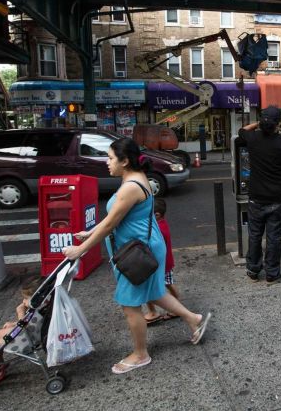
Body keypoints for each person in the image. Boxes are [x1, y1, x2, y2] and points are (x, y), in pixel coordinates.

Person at [62, 138, 211, 375]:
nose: (106, 163)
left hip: (137, 252)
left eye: (110, 158)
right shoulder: (133, 179)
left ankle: (141, 354)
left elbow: (111, 223)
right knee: (155, 291)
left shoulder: (131, 186)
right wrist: (90, 232)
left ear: (125, 161)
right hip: (142, 247)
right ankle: (194, 319)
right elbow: (117, 217)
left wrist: (80, 250)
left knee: (130, 305)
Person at [237, 105, 281, 283]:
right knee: (274, 237)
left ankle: (253, 270)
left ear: (262, 121)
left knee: (255, 234)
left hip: (256, 198)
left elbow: (241, 130)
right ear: (278, 124)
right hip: (278, 198)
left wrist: (258, 123)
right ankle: (272, 273)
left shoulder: (252, 138)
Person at [0, 277, 43, 390]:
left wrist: (20, 311)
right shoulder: (42, 307)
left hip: (26, 340)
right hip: (32, 334)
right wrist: (13, 324)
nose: (23, 301)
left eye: (25, 299)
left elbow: (23, 327)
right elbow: (30, 323)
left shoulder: (34, 308)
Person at [144, 198, 180, 323]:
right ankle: (175, 307)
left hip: (160, 265)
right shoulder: (161, 224)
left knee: (147, 286)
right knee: (169, 284)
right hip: (165, 263)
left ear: (157, 215)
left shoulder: (158, 229)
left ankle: (154, 312)